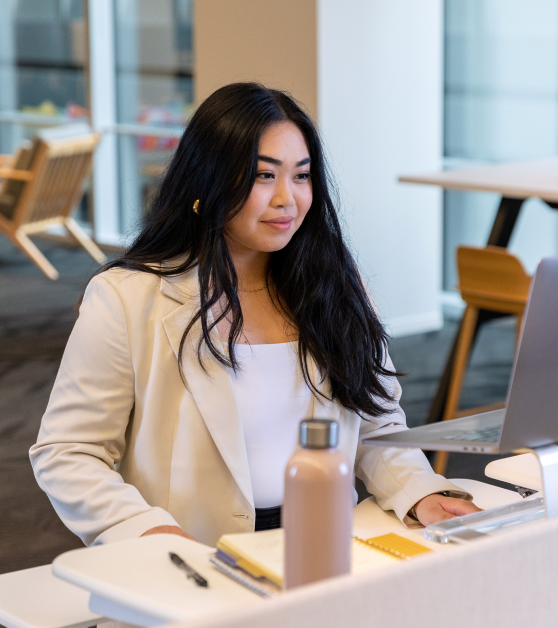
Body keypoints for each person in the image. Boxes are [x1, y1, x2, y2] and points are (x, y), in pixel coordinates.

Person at [29, 82, 480, 554]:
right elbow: (67, 452)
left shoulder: (336, 286)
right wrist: (141, 530)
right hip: (190, 559)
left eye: (301, 176)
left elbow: (376, 425)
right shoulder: (127, 298)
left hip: (325, 549)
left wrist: (420, 492)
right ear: (207, 181)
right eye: (264, 176)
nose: (287, 199)